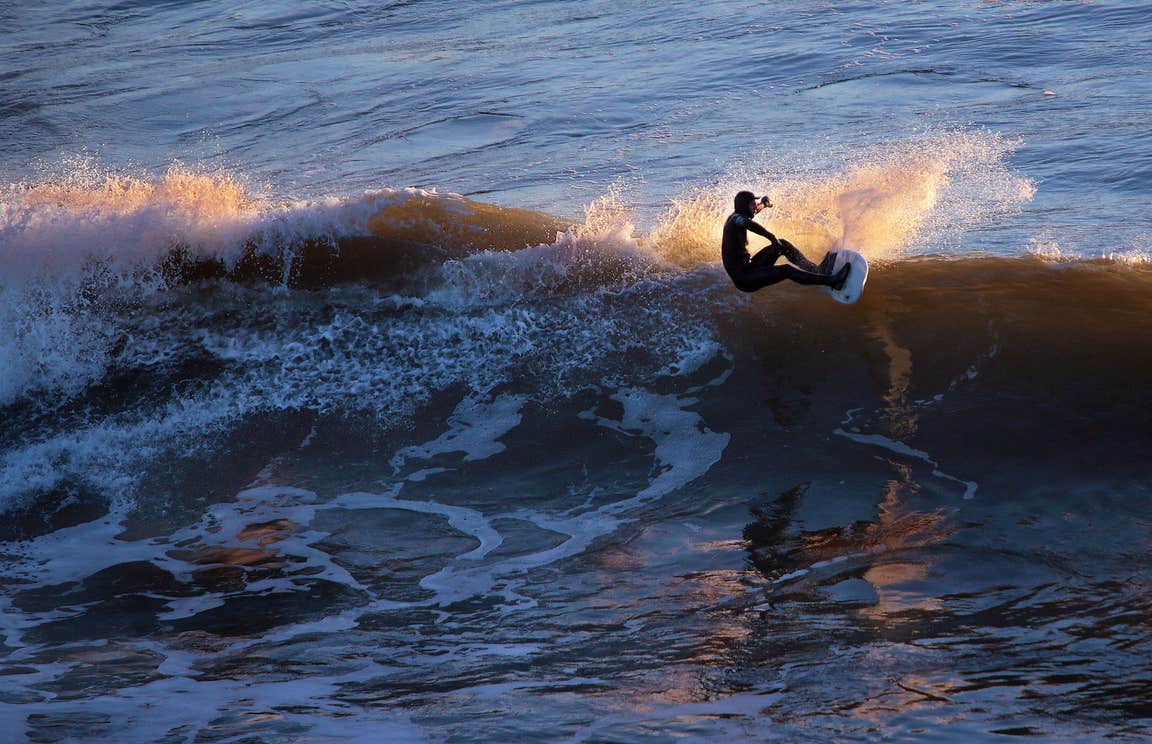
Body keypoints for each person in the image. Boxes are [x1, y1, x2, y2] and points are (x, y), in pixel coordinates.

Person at [722, 190, 849, 293]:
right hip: (745, 279)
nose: (755, 206)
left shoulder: (740, 213)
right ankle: (833, 281)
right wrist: (771, 237)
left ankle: (817, 271)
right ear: (744, 207)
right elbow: (749, 224)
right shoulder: (736, 220)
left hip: (750, 267)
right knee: (786, 270)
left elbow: (754, 211)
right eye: (752, 204)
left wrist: (764, 204)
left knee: (781, 244)